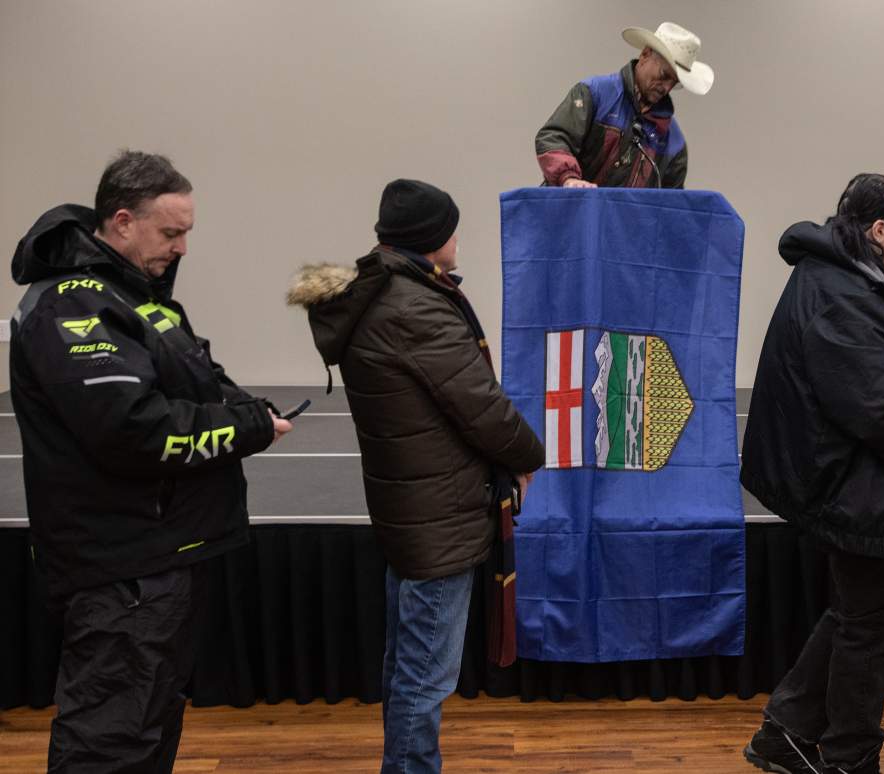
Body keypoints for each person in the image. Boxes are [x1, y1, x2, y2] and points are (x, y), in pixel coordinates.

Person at [9, 150, 291, 772]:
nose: (183, 247)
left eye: (186, 231)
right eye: (171, 232)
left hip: (159, 556)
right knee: (110, 743)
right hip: (123, 567)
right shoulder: (74, 305)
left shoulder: (132, 297)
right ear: (122, 221)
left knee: (146, 729)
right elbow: (134, 432)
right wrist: (245, 426)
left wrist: (245, 406)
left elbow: (194, 379)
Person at [286, 179, 545, 773]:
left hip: (412, 511)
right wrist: (529, 456)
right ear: (432, 239)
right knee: (425, 679)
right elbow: (483, 407)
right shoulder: (416, 308)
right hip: (439, 521)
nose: (458, 237)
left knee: (408, 667)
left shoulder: (385, 295)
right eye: (451, 227)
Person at [740, 173, 884, 774]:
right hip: (868, 490)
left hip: (867, 485)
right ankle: (849, 758)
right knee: (869, 634)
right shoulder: (840, 292)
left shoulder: (846, 276)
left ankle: (785, 734)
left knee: (859, 616)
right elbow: (882, 409)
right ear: (880, 229)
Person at [534, 21, 713, 189]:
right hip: (570, 216)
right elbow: (553, 137)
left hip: (623, 223)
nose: (666, 87)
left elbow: (670, 207)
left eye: (674, 82)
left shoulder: (674, 141)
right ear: (645, 55)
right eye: (664, 75)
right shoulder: (594, 94)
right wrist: (568, 178)